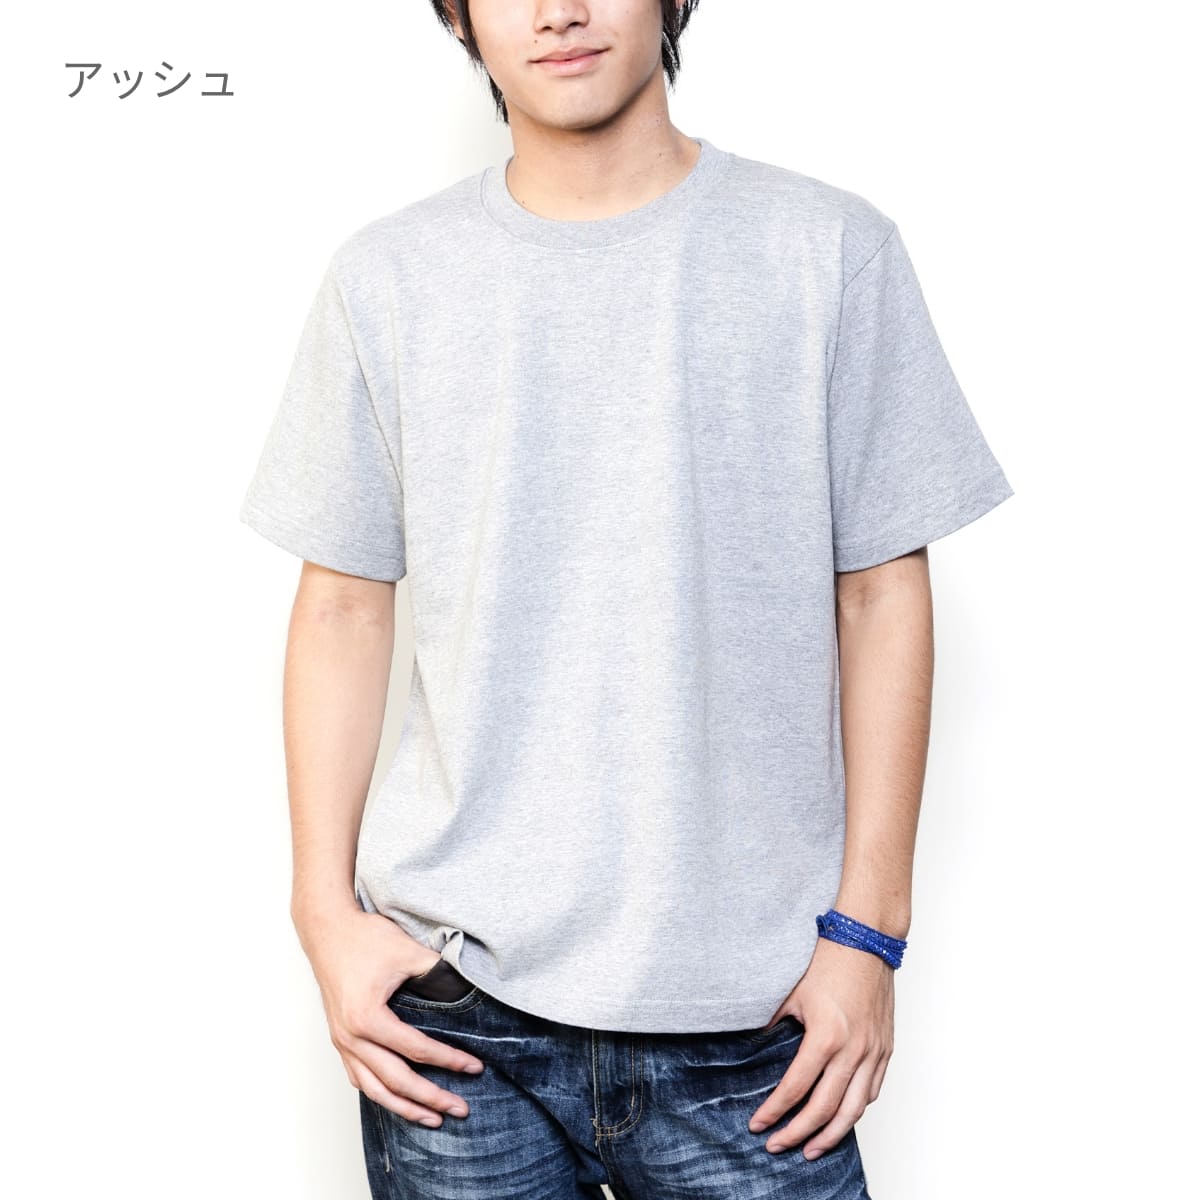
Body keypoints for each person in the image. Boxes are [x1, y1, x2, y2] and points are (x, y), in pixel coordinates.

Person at [238, 2, 1014, 1196]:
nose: (558, 10)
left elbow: (880, 595)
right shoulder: (388, 279)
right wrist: (322, 917)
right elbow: (341, 607)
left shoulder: (828, 250)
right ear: (460, 19)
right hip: (455, 1007)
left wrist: (868, 936)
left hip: (755, 1013)